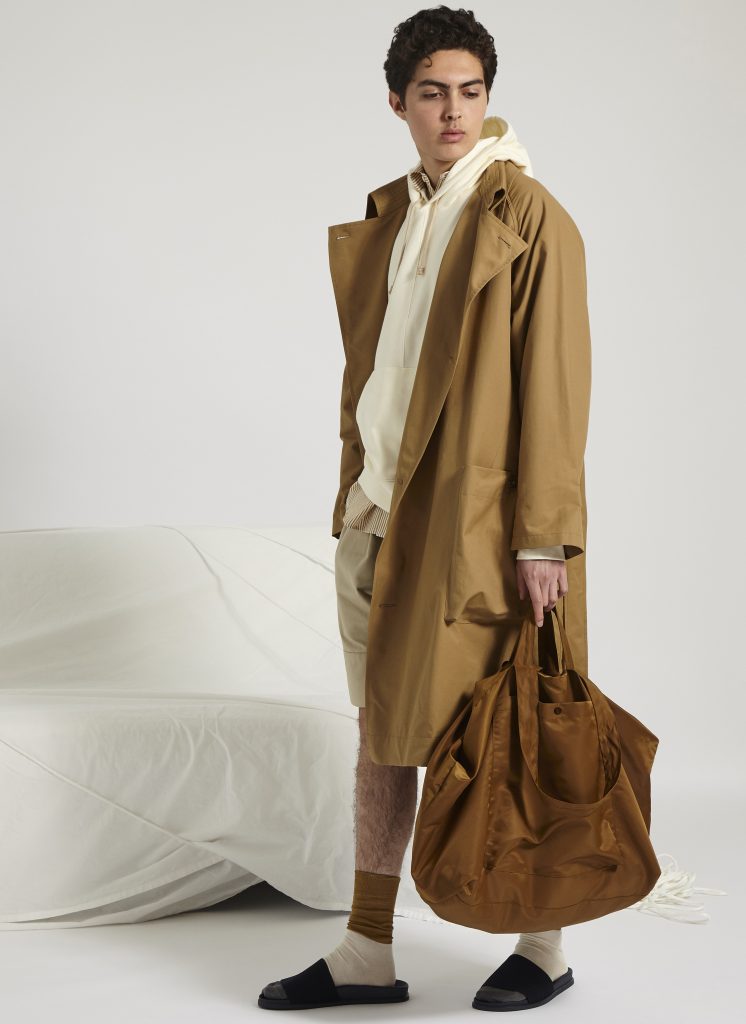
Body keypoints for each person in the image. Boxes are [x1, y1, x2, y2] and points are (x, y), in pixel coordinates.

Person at [259, 4, 590, 1012]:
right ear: (397, 102)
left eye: (470, 92)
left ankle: (544, 944)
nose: (453, 111)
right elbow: (381, 375)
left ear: (487, 99)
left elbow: (555, 384)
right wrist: (355, 489)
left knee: (510, 726)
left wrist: (543, 537)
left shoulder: (526, 214)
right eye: (434, 93)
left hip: (481, 530)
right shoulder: (402, 213)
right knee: (382, 730)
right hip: (381, 515)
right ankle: (367, 949)